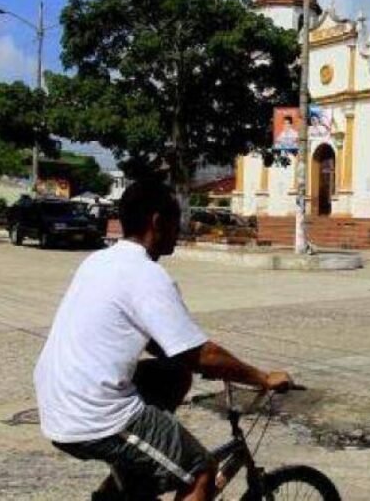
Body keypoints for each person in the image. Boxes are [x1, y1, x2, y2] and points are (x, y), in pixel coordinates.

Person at [34, 180, 292, 501]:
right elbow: (199, 353)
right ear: (158, 222)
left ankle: (121, 491)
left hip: (59, 399)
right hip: (94, 413)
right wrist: (262, 378)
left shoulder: (99, 261)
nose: (179, 229)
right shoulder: (146, 275)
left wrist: (203, 364)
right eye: (176, 220)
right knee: (200, 470)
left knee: (174, 374)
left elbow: (167, 347)